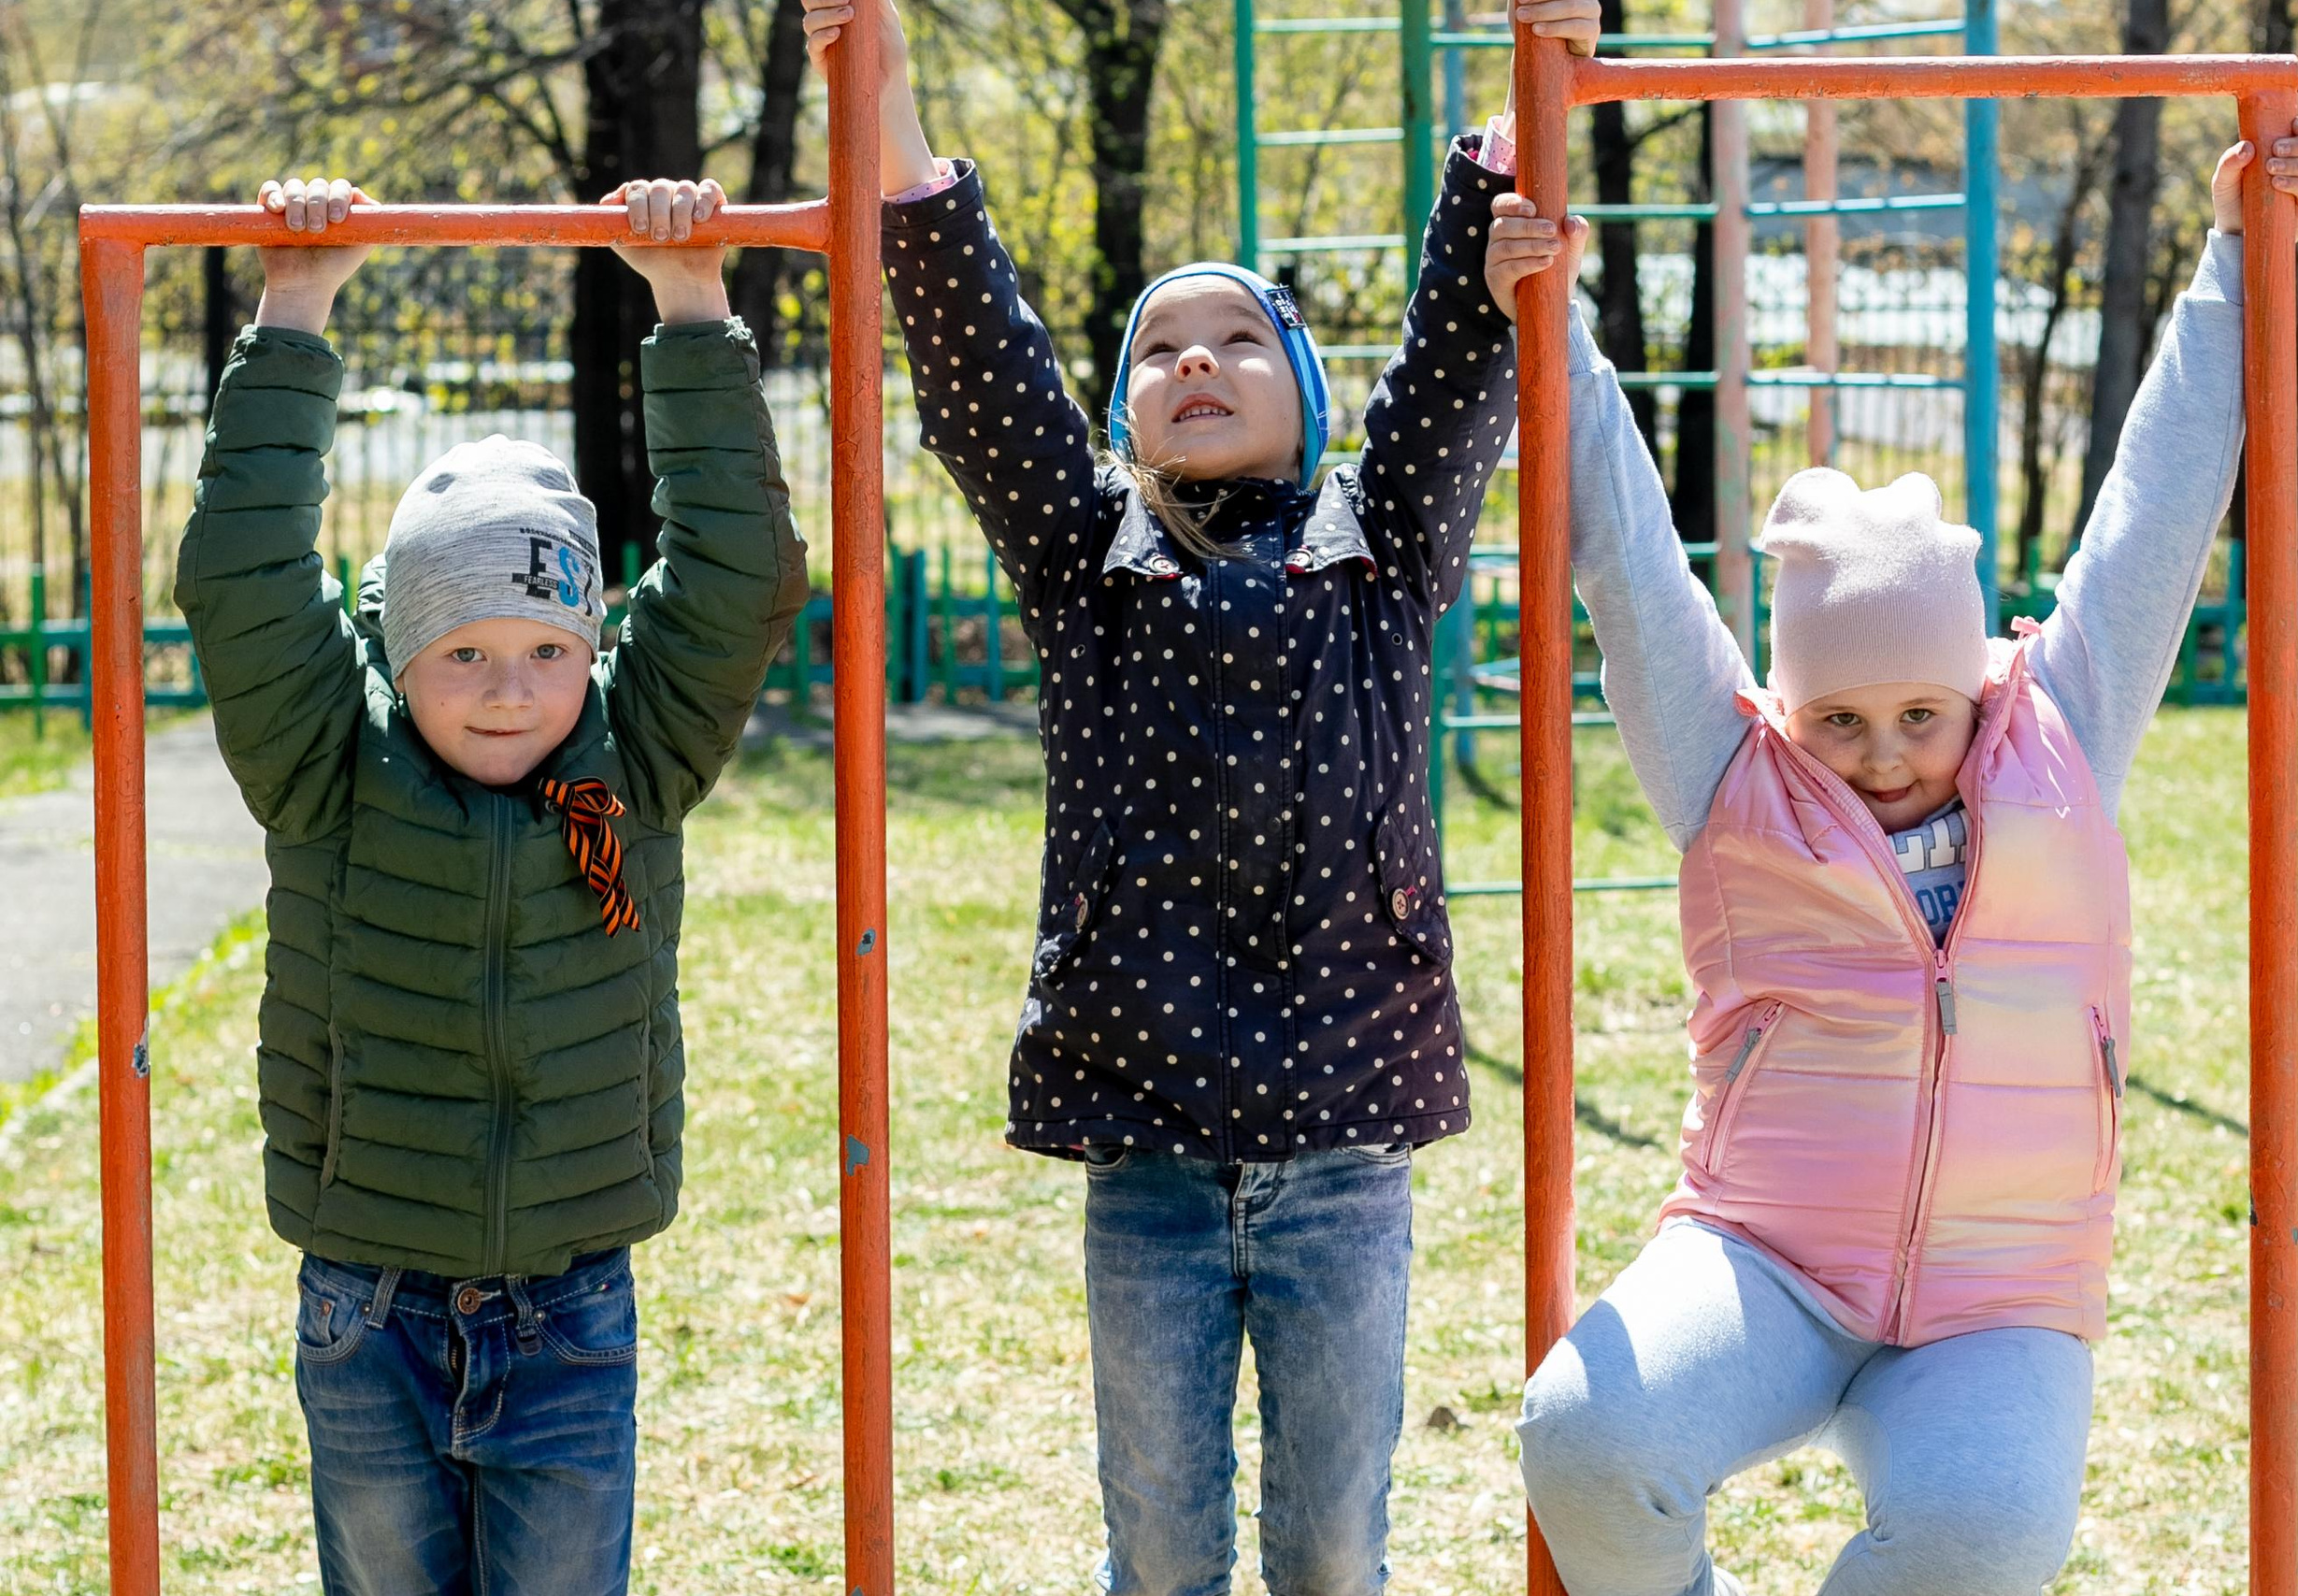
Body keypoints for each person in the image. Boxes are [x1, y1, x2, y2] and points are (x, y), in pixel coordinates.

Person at [1497, 5, 2298, 1579]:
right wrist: (1558, 318)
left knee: (1984, 1536)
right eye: (1843, 718)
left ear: (1978, 687)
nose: (1884, 756)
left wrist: (2240, 262)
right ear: (1784, 700)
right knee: (1582, 1438)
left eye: (1920, 713)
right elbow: (1627, 561)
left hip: (2003, 1290)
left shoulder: (2062, 728)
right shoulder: (1735, 774)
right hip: (1769, 1257)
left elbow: (2155, 508)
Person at [797, 0, 1574, 1586]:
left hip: (1343, 1142)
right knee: (1155, 1543)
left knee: (1331, 1542)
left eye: (1232, 338)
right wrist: (873, 67)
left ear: (1300, 385)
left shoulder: (1383, 542)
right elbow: (972, 345)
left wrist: (1533, 71)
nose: (1192, 361)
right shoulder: (1089, 555)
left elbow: (1451, 352)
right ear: (1125, 412)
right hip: (1144, 1139)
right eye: (1156, 347)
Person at [172, 173, 809, 1596]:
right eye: (464, 652)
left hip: (574, 1304)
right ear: (397, 650)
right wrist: (296, 307)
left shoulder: (633, 759)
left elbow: (740, 573)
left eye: (546, 649)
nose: (511, 691)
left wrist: (694, 304)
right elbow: (244, 572)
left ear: (593, 644)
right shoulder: (327, 766)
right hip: (370, 1303)